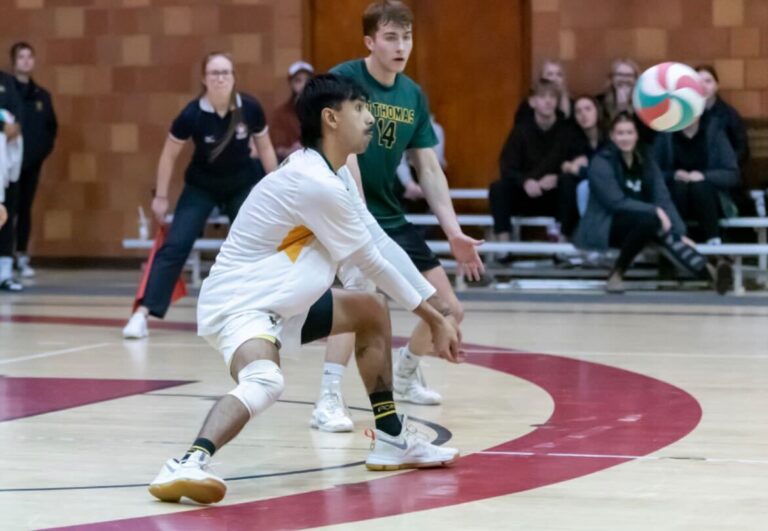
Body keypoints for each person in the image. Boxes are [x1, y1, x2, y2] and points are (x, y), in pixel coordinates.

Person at [148, 74, 461, 505]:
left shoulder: (337, 177)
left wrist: (433, 307)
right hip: (243, 304)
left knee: (370, 310)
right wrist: (433, 316)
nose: (371, 119)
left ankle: (391, 438)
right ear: (331, 119)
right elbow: (370, 260)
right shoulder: (314, 182)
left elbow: (381, 243)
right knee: (265, 381)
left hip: (285, 300)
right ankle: (187, 463)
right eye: (360, 109)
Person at [306, 0, 484, 433]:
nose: (400, 45)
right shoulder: (345, 80)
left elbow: (427, 167)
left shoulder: (413, 95)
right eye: (390, 37)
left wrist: (455, 232)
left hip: (391, 216)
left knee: (448, 309)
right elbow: (338, 149)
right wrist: (358, 214)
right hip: (347, 212)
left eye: (406, 37)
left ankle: (405, 372)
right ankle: (327, 400)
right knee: (360, 303)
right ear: (370, 41)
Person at [122, 52, 278, 338]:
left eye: (226, 72)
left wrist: (276, 186)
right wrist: (161, 196)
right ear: (204, 79)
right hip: (201, 187)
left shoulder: (251, 109)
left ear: (234, 77)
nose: (220, 78)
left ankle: (267, 310)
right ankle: (142, 314)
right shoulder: (191, 115)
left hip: (242, 184)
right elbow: (168, 156)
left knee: (258, 245)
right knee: (176, 245)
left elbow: (266, 149)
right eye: (214, 73)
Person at [575, 113, 732, 295]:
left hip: (644, 224)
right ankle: (617, 273)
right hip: (607, 225)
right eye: (620, 133)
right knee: (651, 222)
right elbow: (614, 202)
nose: (625, 138)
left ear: (636, 135)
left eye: (629, 132)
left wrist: (678, 233)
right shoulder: (601, 162)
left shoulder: (647, 160)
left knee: (660, 231)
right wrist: (655, 211)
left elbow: (662, 198)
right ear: (612, 136)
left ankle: (712, 274)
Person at [488, 79, 573, 255]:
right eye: (542, 97)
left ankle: (562, 247)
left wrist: (557, 178)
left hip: (554, 196)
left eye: (552, 97)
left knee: (568, 183)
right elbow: (507, 167)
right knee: (498, 188)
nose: (548, 101)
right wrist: (525, 182)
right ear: (532, 102)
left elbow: (575, 162)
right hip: (525, 194)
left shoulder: (566, 131)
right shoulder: (520, 131)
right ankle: (504, 248)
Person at [10, 42, 57, 279]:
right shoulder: (6, 93)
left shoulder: (42, 96)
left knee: (24, 209)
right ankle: (4, 258)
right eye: (21, 57)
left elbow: (51, 130)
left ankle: (21, 255)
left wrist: (38, 154)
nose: (26, 61)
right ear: (14, 62)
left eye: (30, 56)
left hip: (30, 164)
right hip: (6, 165)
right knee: (6, 210)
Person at [654, 114, 740, 244]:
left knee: (699, 187)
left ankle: (713, 239)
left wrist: (704, 176)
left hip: (709, 201)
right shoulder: (665, 136)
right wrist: (673, 175)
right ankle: (677, 239)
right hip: (676, 200)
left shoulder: (715, 133)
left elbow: (732, 174)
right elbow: (652, 173)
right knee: (679, 186)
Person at [695, 65, 750, 170]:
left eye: (708, 81)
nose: (703, 86)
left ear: (717, 85)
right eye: (698, 82)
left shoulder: (729, 114)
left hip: (723, 173)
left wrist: (727, 167)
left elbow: (742, 149)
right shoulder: (688, 116)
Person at [595, 58, 655, 145]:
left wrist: (627, 110)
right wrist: (618, 110)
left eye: (629, 75)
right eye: (619, 74)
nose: (624, 79)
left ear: (636, 79)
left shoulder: (645, 104)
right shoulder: (599, 102)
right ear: (612, 79)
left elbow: (648, 136)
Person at [0, 68, 23, 291]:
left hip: (4, 156)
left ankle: (5, 271)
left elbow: (17, 113)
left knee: (5, 212)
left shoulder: (7, 81)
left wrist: (13, 128)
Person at [269, 60, 314, 161]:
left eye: (308, 81)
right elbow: (276, 148)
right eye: (298, 80)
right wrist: (291, 150)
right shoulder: (280, 114)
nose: (303, 85)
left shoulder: (321, 111)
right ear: (291, 83)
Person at [515, 59, 573, 125]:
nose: (555, 78)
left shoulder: (572, 105)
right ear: (541, 78)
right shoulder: (529, 105)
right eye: (550, 74)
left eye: (559, 74)